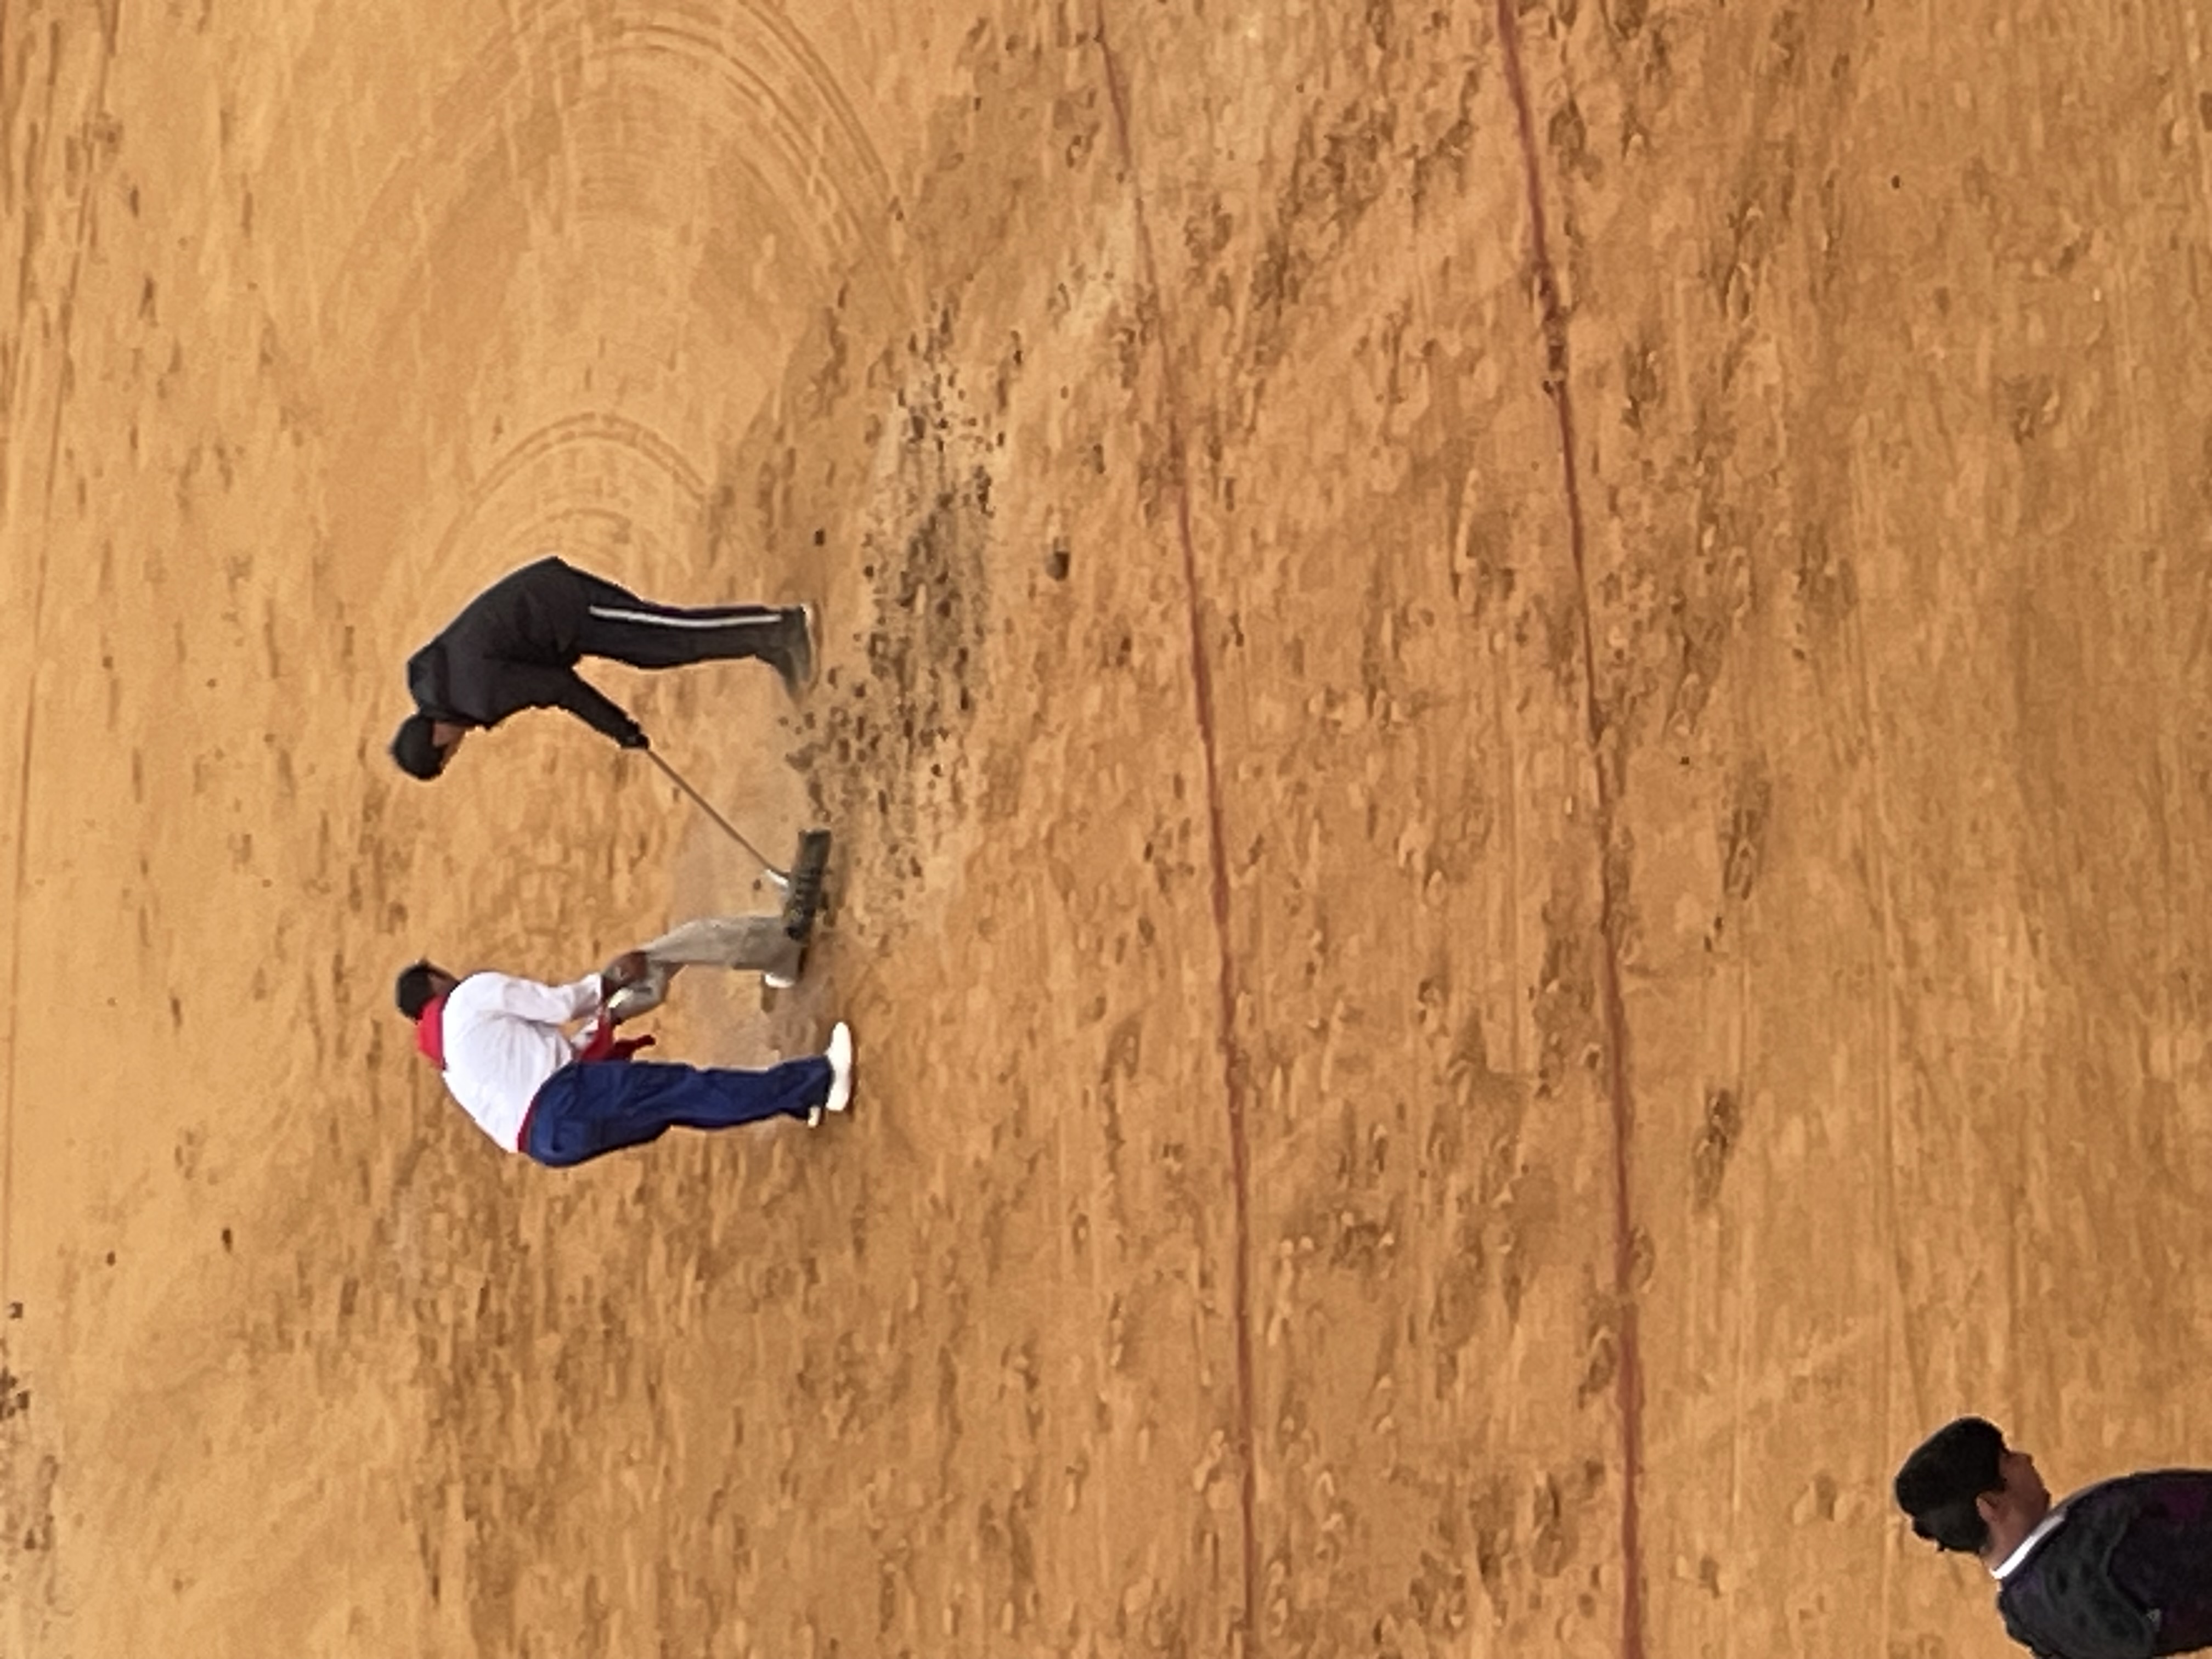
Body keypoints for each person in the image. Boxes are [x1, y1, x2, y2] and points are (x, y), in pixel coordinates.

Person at [393, 950, 853, 1167]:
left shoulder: (451, 1064)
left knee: (679, 1104)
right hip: (569, 1099)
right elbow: (559, 1009)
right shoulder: (469, 997)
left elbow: (549, 1066)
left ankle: (792, 1099)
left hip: (550, 1145)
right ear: (436, 982)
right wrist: (608, 980)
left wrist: (603, 1026)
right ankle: (821, 1081)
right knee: (688, 1090)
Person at [390, 555, 815, 780]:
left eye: (448, 755)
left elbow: (558, 688)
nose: (457, 748)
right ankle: (768, 643)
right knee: (659, 649)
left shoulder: (475, 696)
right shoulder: (437, 686)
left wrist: (619, 729)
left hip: (566, 607)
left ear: (438, 738)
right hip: (553, 612)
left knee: (672, 633)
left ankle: (783, 627)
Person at [1893, 1415, 2212, 1657]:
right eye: (2008, 1459)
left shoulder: (2027, 1618)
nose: (2026, 1459)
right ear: (1990, 1506)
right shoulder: (2105, 1553)